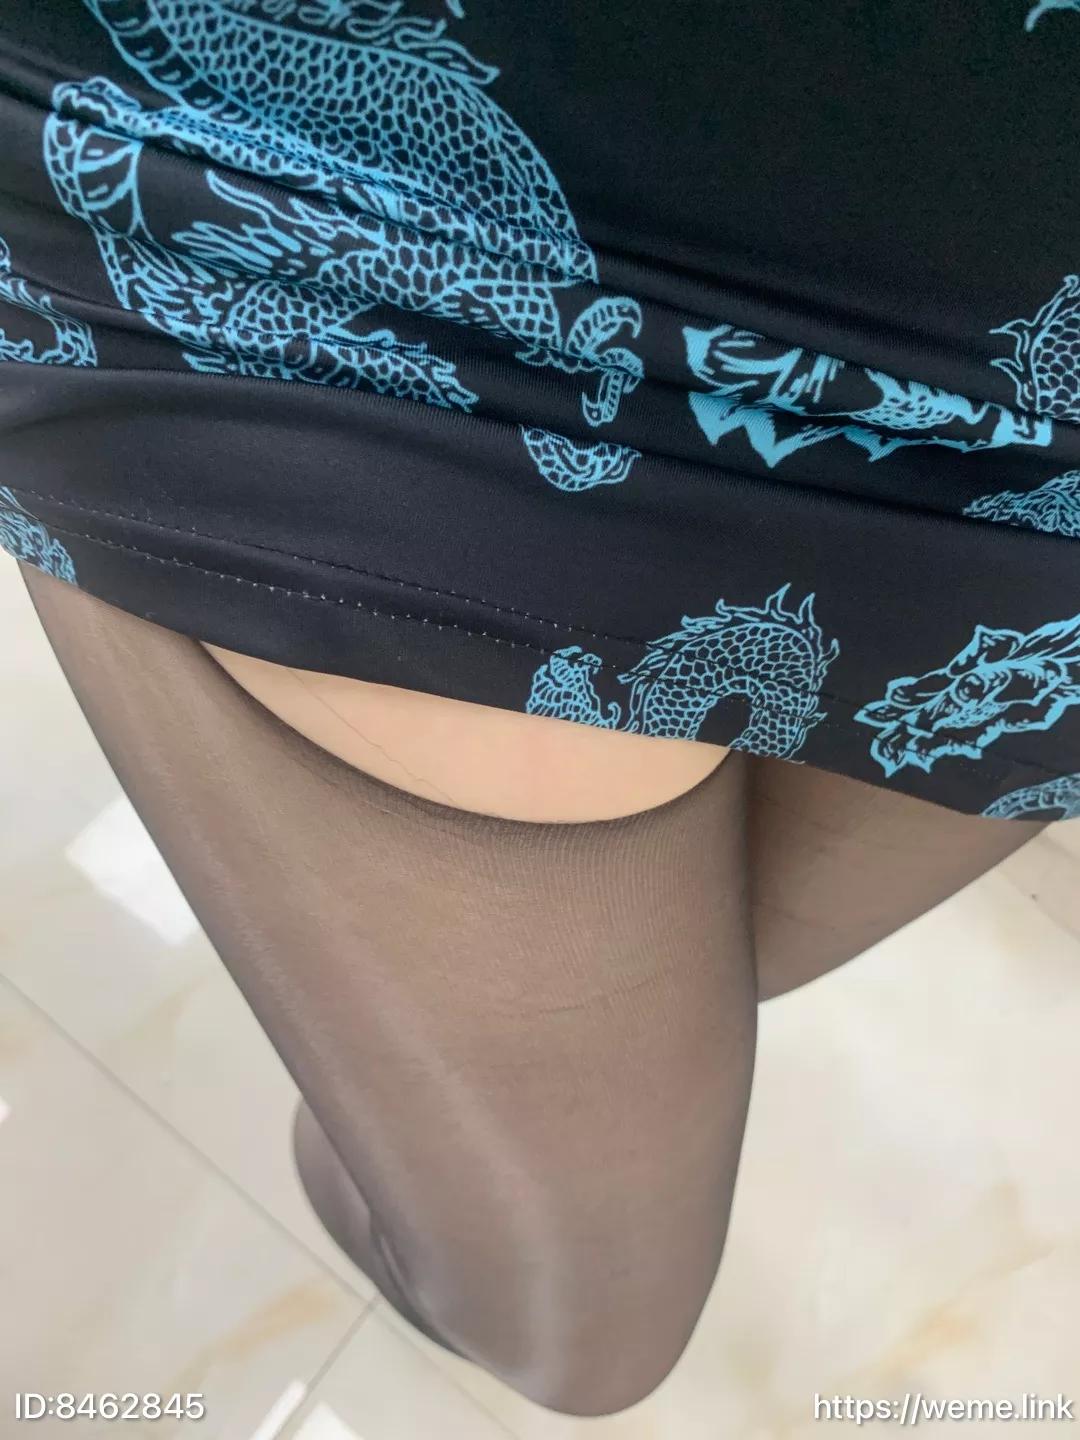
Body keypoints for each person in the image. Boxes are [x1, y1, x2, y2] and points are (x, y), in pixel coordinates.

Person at [2, 0, 1074, 1416]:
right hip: (444, 264)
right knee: (579, 1337)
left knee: (702, 972)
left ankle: (392, 1087)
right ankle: (386, 1136)